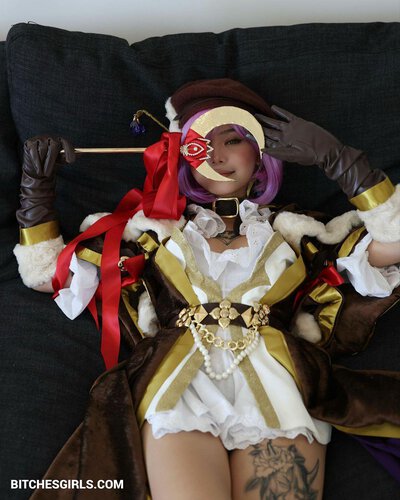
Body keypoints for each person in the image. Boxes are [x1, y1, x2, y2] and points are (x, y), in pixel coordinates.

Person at [13, 78, 400, 500]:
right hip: (179, 389)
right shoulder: (151, 233)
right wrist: (36, 190)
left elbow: (393, 243)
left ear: (262, 150)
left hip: (281, 387)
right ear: (182, 154)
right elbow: (48, 274)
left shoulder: (300, 233)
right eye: (201, 144)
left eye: (233, 138)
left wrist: (340, 159)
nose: (217, 155)